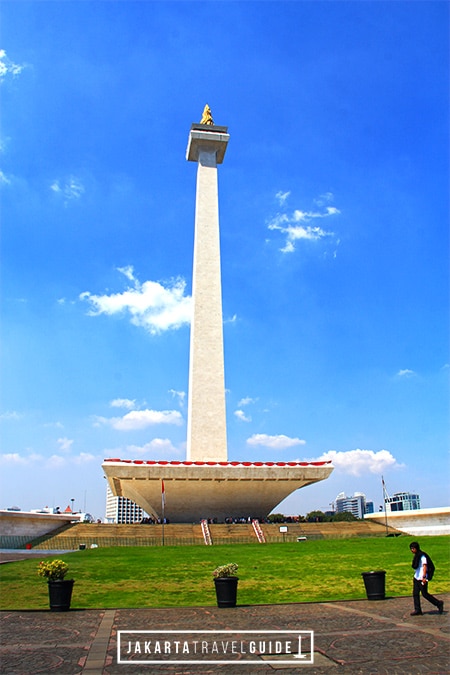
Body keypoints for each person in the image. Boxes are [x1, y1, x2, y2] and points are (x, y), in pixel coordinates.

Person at [409, 541, 444, 616]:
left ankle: (438, 603)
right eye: (411, 549)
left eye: (413, 548)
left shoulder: (422, 556)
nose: (412, 550)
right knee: (415, 594)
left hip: (422, 577)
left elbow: (425, 566)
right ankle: (417, 609)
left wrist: (424, 577)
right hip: (416, 577)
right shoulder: (416, 556)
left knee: (425, 594)